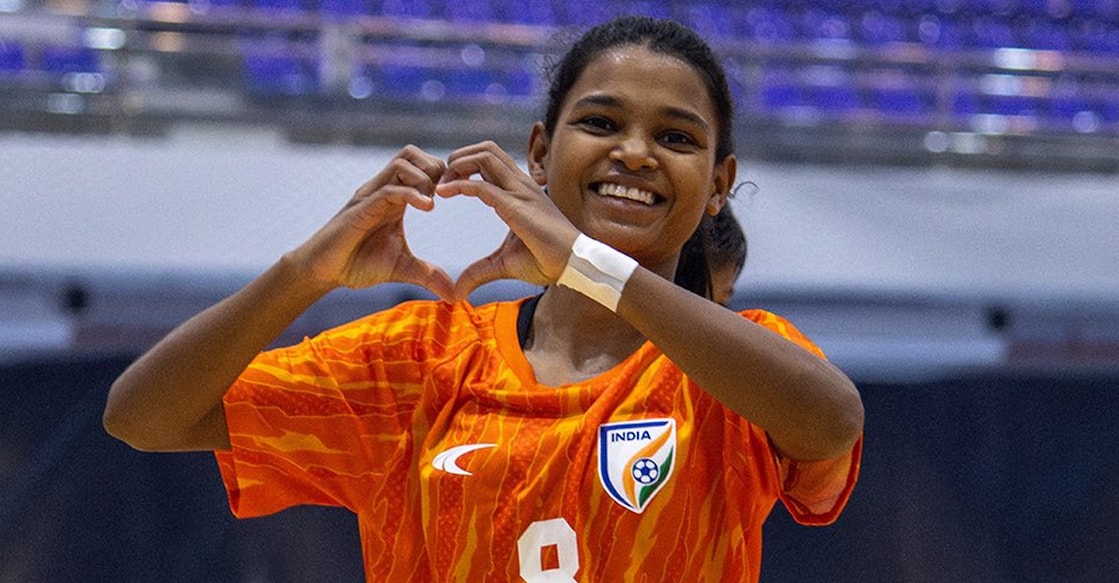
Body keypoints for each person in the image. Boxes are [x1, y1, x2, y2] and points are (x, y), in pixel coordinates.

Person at [103, 15, 863, 583]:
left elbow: (830, 420)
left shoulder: (738, 370)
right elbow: (141, 415)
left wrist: (588, 264)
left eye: (676, 137)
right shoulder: (418, 358)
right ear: (539, 152)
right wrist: (306, 269)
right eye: (600, 122)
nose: (633, 151)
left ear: (718, 185)